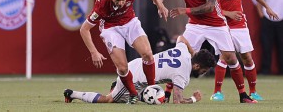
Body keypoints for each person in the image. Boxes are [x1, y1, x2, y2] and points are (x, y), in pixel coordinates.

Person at [156, 0, 256, 103]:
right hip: (195, 25)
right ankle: (167, 95)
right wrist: (159, 3)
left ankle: (243, 96)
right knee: (179, 56)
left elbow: (209, 7)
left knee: (230, 58)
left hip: (216, 23)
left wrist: (185, 10)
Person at [80, 0, 169, 104]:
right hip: (110, 28)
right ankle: (133, 94)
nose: (121, 3)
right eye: (117, 0)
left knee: (148, 54)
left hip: (130, 23)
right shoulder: (102, 4)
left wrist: (160, 5)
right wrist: (93, 52)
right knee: (122, 68)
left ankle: (151, 88)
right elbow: (84, 29)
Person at [210, 0, 279, 102]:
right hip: (221, 25)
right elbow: (210, 6)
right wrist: (228, 13)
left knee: (247, 57)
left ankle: (253, 91)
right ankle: (217, 92)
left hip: (239, 24)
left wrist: (266, 6)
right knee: (225, 57)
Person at [63, 36, 216, 104]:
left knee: (157, 98)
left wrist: (192, 51)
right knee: (108, 99)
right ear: (196, 66)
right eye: (204, 70)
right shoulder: (184, 74)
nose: (203, 73)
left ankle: (118, 87)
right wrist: (194, 99)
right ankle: (72, 93)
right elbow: (178, 101)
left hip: (138, 65)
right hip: (135, 79)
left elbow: (181, 38)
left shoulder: (183, 51)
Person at [257, 0, 283, 74]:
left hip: (281, 20)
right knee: (266, 45)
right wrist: (261, 16)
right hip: (267, 20)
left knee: (281, 46)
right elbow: (259, 2)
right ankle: (265, 69)